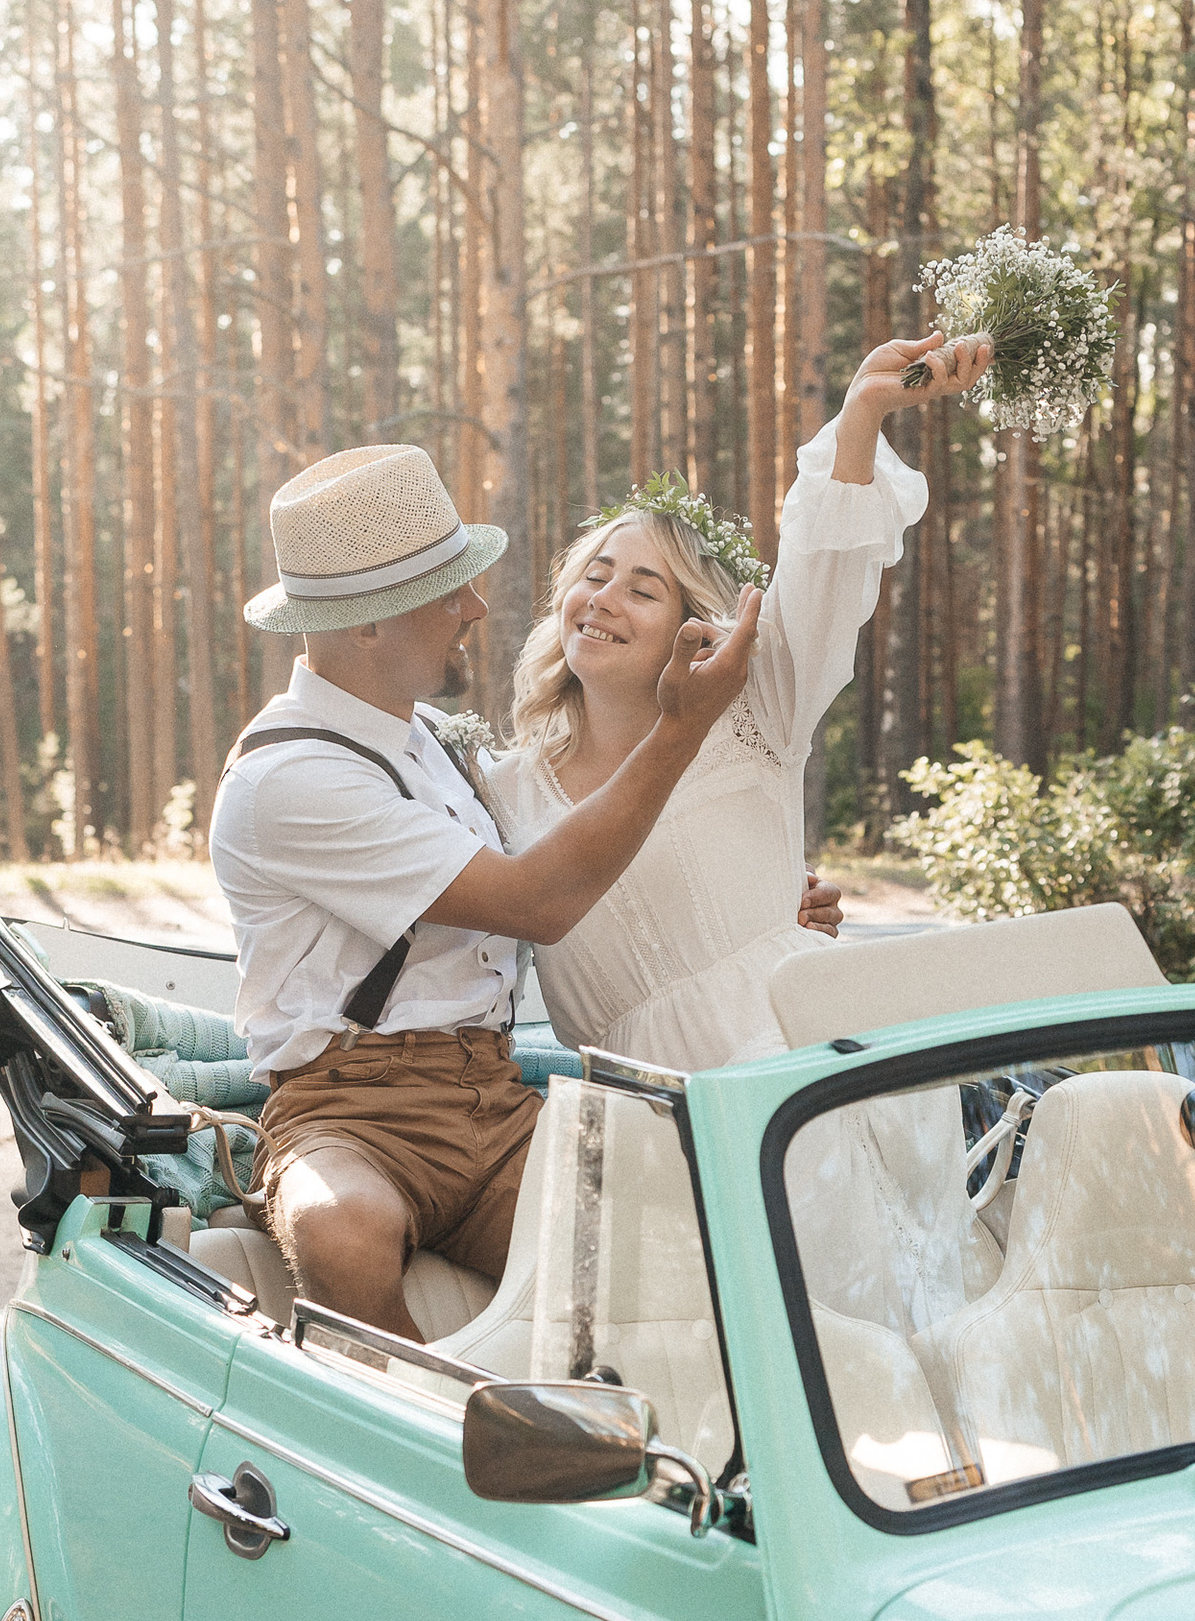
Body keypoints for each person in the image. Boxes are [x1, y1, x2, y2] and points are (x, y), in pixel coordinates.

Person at [209, 440, 756, 1339]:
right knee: (339, 1228)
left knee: (683, 1245)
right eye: (448, 592)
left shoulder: (427, 739)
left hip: (491, 1100)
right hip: (349, 1111)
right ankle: (421, 1442)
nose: (477, 607)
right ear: (368, 626)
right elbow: (535, 898)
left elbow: (576, 838)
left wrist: (762, 904)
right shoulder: (292, 778)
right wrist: (679, 725)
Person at [490, 328, 989, 1070]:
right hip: (638, 1111)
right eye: (594, 575)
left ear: (696, 624)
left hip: (806, 1071)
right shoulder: (501, 789)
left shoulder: (757, 713)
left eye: (642, 588)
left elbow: (821, 571)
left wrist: (862, 413)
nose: (603, 601)